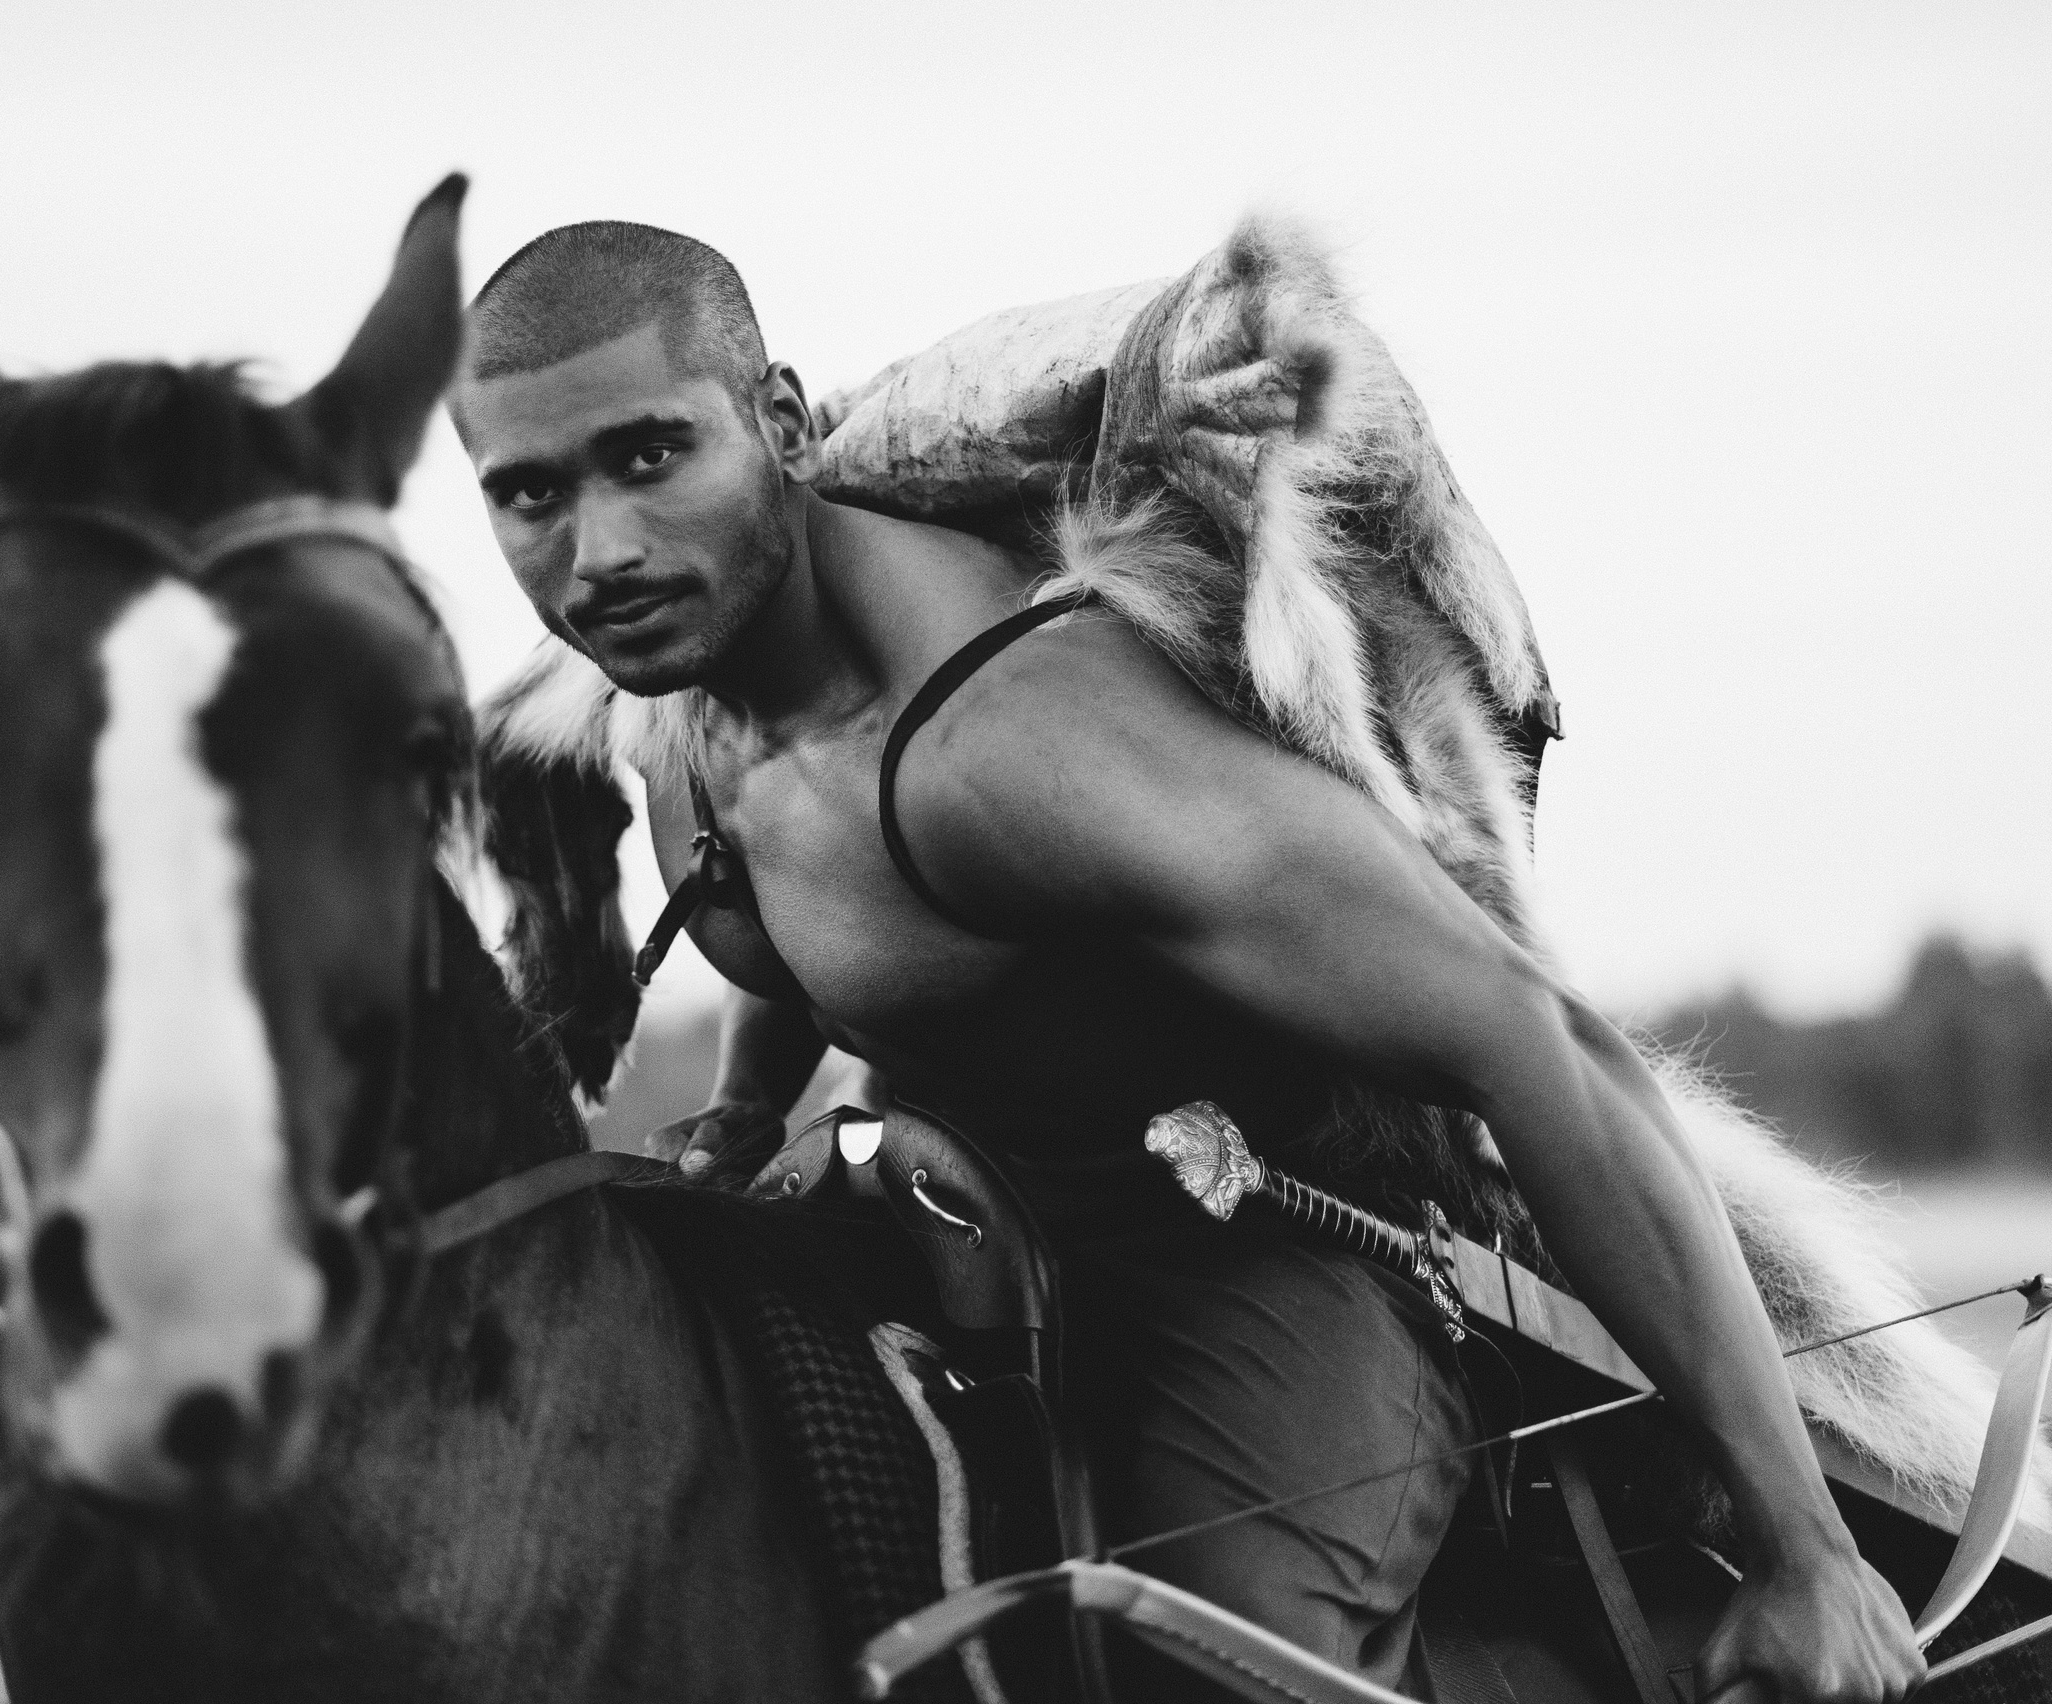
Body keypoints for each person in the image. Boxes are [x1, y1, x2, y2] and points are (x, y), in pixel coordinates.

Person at [450, 220, 1923, 1703]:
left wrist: (1809, 1553)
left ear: (778, 422)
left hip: (1265, 1248)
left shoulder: (1025, 747)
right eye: (530, 493)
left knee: (1199, 1674)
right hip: (953, 1216)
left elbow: (1528, 1036)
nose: (599, 550)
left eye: (650, 457)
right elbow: (790, 915)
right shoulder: (679, 701)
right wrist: (748, 1103)